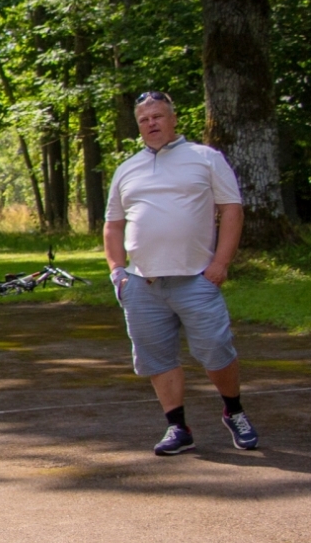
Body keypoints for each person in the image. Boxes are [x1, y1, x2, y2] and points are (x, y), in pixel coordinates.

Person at [104, 91, 257, 456]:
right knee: (157, 359)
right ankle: (177, 428)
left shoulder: (205, 159)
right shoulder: (127, 168)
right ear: (138, 126)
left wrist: (220, 264)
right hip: (143, 284)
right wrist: (117, 272)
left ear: (173, 120)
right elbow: (113, 225)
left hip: (196, 280)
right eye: (144, 119)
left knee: (217, 351)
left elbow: (231, 211)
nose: (151, 123)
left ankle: (234, 411)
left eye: (158, 116)